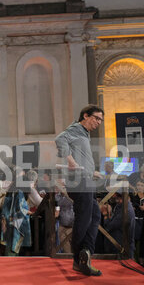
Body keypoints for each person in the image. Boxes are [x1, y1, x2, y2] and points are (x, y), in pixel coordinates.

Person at [55, 104, 104, 276]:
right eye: (96, 118)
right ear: (85, 115)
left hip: (86, 178)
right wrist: (70, 161)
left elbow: (81, 158)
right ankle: (79, 258)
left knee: (95, 215)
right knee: (84, 218)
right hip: (79, 181)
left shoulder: (84, 134)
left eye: (100, 120)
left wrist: (92, 172)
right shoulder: (76, 128)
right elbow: (59, 139)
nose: (99, 122)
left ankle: (86, 253)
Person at [0, 167, 31, 256]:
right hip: (15, 222)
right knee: (13, 247)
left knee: (10, 246)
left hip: (8, 220)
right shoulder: (19, 192)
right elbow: (20, 209)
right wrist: (28, 212)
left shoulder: (12, 190)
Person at [103, 192, 136, 257]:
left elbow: (109, 227)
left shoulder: (126, 210)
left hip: (121, 249)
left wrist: (105, 215)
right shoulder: (120, 206)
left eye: (115, 195)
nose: (112, 196)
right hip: (117, 246)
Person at [130, 179, 144, 265]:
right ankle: (133, 258)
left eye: (142, 185)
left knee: (142, 241)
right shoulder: (133, 196)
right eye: (138, 185)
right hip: (135, 219)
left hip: (143, 220)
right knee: (133, 239)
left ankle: (141, 258)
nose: (140, 187)